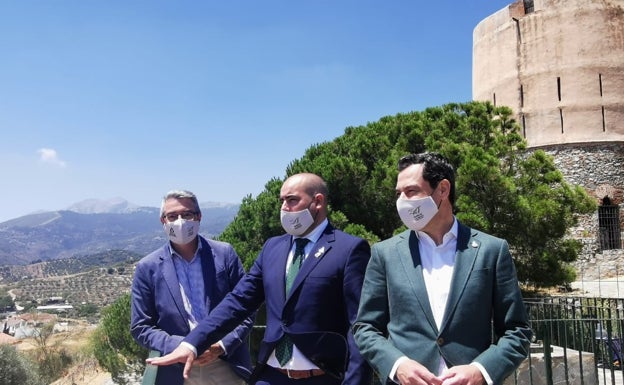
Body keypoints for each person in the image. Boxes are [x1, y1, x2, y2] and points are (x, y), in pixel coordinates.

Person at [146, 173, 373, 385]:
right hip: (271, 374)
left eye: (292, 200)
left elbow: (359, 324)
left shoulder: (349, 249)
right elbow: (238, 302)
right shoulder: (272, 248)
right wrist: (192, 343)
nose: (284, 207)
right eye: (282, 200)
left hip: (322, 376)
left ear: (318, 202)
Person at [352, 153, 532, 385]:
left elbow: (517, 331)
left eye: (411, 191)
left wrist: (481, 370)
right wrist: (397, 365)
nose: (402, 201)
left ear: (443, 189)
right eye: (399, 194)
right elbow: (365, 327)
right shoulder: (385, 253)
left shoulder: (491, 250)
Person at [130, 190, 254, 385]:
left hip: (226, 364)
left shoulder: (224, 254)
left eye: (187, 214)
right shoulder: (148, 267)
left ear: (199, 216)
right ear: (163, 221)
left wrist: (221, 345)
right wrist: (187, 346)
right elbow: (141, 326)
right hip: (176, 370)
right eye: (172, 216)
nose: (180, 221)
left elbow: (246, 308)